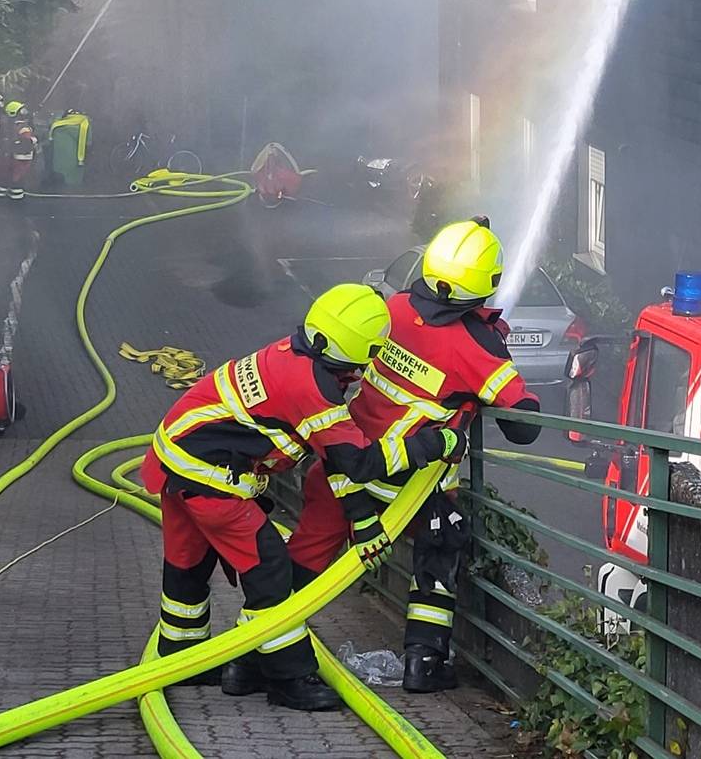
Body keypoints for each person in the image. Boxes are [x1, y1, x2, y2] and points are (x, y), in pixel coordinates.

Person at [141, 283, 466, 710]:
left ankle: (181, 657)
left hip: (176, 464)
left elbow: (331, 454)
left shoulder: (291, 355)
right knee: (271, 571)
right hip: (211, 482)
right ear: (361, 353)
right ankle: (287, 678)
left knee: (188, 564)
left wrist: (361, 518)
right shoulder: (314, 390)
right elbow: (359, 462)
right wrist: (434, 444)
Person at [289, 216, 543, 693]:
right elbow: (523, 427)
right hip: (409, 482)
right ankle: (422, 663)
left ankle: (260, 649)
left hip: (343, 467)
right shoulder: (479, 346)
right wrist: (510, 385)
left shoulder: (396, 307)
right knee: (440, 551)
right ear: (487, 283)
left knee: (306, 557)